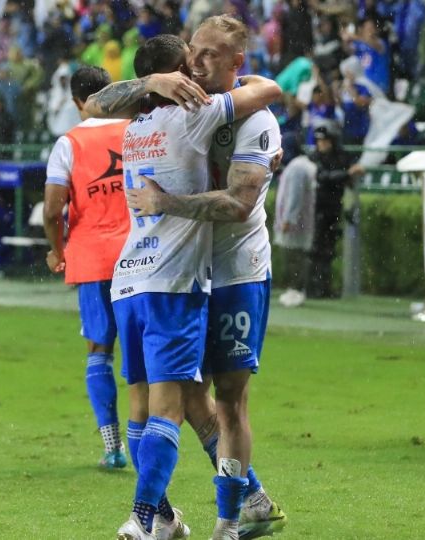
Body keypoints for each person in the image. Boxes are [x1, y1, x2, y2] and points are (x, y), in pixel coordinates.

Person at [84, 34, 281, 540]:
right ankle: (152, 517)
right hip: (177, 280)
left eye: (206, 55)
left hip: (163, 276)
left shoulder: (135, 128)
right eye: (189, 60)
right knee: (175, 402)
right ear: (174, 78)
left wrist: (153, 84)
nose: (196, 68)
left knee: (180, 399)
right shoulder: (194, 112)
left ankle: (218, 512)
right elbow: (267, 89)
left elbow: (93, 103)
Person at [43, 65, 132, 470]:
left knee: (99, 351)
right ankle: (152, 438)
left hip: (93, 256)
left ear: (78, 102)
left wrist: (56, 250)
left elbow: (51, 210)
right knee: (143, 353)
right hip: (142, 254)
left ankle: (114, 448)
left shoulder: (70, 143)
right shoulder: (136, 129)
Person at [308, 123, 356, 299]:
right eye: (319, 141)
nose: (321, 144)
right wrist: (347, 175)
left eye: (325, 141)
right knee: (316, 250)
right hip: (318, 209)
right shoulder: (314, 158)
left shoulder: (340, 157)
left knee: (328, 251)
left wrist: (347, 175)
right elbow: (323, 177)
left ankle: (324, 288)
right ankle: (313, 288)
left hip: (333, 208)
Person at [274, 135, 317, 308]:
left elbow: (295, 196)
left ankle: (296, 290)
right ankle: (295, 289)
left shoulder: (297, 167)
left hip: (296, 223)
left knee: (294, 257)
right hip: (299, 221)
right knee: (296, 257)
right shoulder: (299, 165)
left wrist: (288, 219)